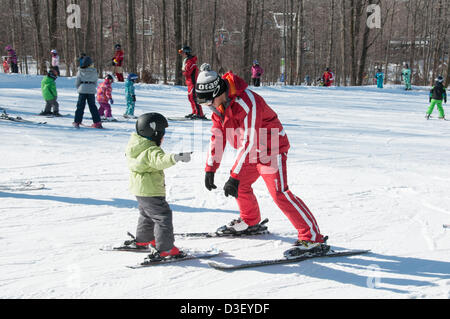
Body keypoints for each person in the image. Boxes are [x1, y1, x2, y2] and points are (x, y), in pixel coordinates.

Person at [196, 66, 327, 253]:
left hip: (270, 148)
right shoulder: (219, 106)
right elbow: (218, 136)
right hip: (250, 150)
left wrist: (234, 175)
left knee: (279, 193)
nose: (208, 106)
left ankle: (312, 238)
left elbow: (251, 140)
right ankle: (250, 221)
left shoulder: (247, 102)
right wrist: (210, 168)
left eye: (209, 101)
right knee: (240, 185)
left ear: (218, 92)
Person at [121, 112, 192, 260]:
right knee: (162, 216)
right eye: (163, 134)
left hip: (139, 189)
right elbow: (160, 160)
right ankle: (165, 248)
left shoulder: (136, 146)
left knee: (147, 215)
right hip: (151, 190)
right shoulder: (151, 150)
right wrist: (176, 157)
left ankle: (144, 240)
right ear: (155, 133)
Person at [73, 56, 103, 129]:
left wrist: (79, 87)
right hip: (91, 89)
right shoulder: (94, 71)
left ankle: (77, 121)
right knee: (93, 106)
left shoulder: (80, 71)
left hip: (82, 88)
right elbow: (96, 81)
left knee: (80, 106)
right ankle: (97, 122)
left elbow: (77, 81)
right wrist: (92, 86)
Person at [178, 46, 206, 120]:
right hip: (189, 83)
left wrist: (183, 71)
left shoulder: (191, 62)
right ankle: (194, 112)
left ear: (186, 53)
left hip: (193, 83)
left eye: (182, 52)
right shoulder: (187, 61)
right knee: (190, 98)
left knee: (194, 98)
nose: (182, 54)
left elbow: (187, 73)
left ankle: (200, 114)